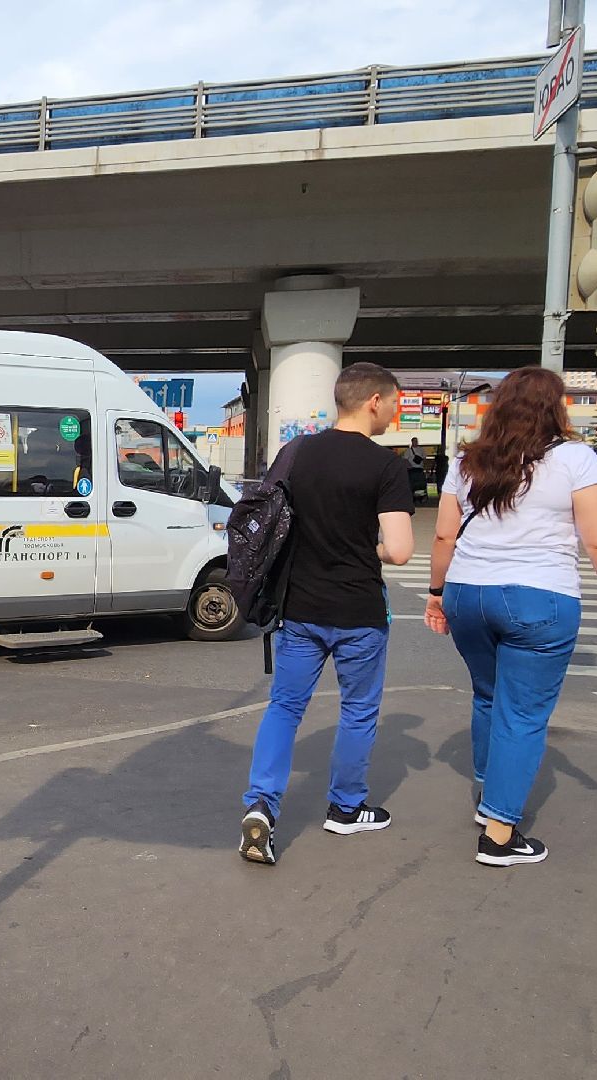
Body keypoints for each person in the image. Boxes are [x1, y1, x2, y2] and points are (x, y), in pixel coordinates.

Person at [424, 366, 597, 868]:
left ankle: (488, 795)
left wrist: (436, 593)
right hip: (540, 597)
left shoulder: (468, 461)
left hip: (467, 594)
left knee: (489, 695)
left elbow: (443, 537)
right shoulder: (576, 459)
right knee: (523, 714)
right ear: (556, 408)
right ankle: (499, 835)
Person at [238, 362, 415, 866]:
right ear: (374, 402)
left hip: (301, 606)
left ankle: (261, 806)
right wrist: (367, 548)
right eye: (395, 402)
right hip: (359, 609)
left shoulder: (299, 453)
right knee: (357, 710)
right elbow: (399, 551)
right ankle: (346, 807)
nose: (396, 412)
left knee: (285, 707)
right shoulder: (386, 467)